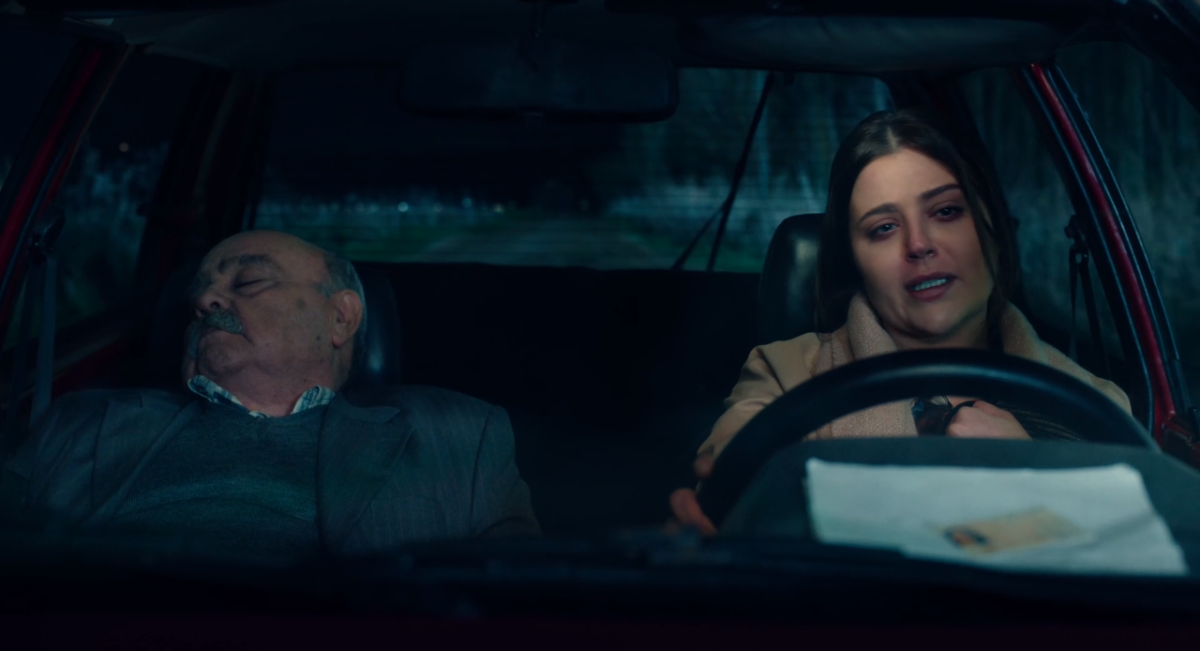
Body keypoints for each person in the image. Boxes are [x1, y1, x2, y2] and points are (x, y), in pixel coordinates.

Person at [670, 108, 1131, 534]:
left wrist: (1032, 472)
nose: (919, 244)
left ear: (992, 229)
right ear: (855, 261)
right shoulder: (783, 375)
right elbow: (729, 493)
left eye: (946, 211)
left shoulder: (1096, 404)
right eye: (884, 228)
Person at [5, 230, 539, 557]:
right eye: (199, 294)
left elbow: (519, 613)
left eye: (248, 282)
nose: (207, 301)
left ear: (341, 317)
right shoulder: (81, 421)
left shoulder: (458, 435)